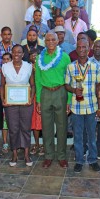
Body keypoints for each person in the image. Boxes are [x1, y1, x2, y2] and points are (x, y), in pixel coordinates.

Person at [65, 39, 100, 173]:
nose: (81, 49)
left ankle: (92, 160)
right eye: (79, 47)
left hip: (92, 107)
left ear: (89, 49)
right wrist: (74, 90)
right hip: (76, 107)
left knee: (92, 136)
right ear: (76, 49)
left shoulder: (95, 66)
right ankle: (79, 160)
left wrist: (99, 108)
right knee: (78, 136)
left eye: (84, 47)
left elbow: (99, 88)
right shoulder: (70, 67)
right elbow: (66, 85)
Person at [35, 32, 71, 169]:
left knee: (62, 127)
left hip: (61, 92)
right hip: (45, 93)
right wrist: (38, 100)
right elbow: (37, 80)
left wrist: (68, 100)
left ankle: (61, 156)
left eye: (53, 39)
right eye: (48, 39)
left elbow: (69, 79)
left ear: (57, 41)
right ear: (44, 42)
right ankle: (48, 156)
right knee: (46, 127)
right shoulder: (39, 58)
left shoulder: (65, 57)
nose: (50, 42)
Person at [0, 45, 35, 167]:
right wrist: (3, 100)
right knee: (13, 129)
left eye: (19, 52)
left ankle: (26, 154)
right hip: (10, 104)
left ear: (23, 54)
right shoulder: (5, 67)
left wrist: (31, 99)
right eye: (14, 52)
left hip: (26, 103)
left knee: (25, 128)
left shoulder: (29, 66)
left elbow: (33, 85)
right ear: (11, 53)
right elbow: (2, 86)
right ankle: (14, 153)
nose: (16, 54)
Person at [1, 52, 12, 153]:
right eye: (4, 59)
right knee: (5, 123)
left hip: (15, 100)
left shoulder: (14, 70)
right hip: (5, 100)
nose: (5, 61)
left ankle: (15, 143)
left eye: (8, 59)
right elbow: (1, 86)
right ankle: (5, 143)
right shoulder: (1, 71)